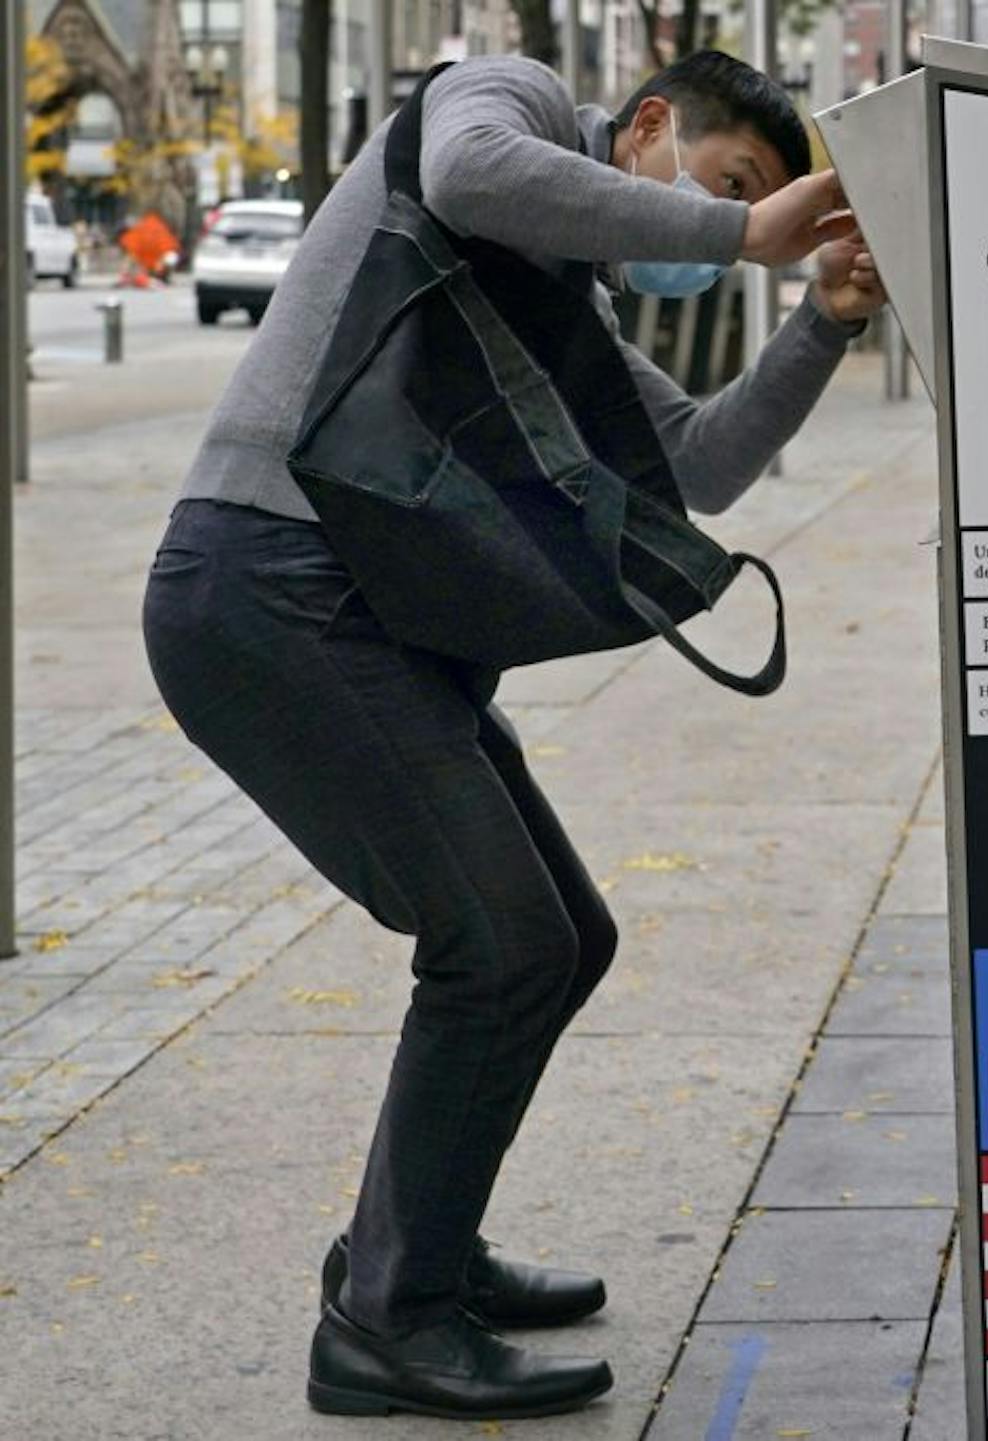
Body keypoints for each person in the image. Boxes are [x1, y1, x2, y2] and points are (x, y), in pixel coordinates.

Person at [139, 52, 885, 1421]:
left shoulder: (565, 307)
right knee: (502, 942)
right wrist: (745, 229)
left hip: (356, 621)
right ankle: (390, 1319)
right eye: (726, 182)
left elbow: (702, 465)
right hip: (265, 588)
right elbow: (469, 168)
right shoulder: (511, 99)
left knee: (564, 935)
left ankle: (410, 1248)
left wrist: (822, 319)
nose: (726, 236)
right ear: (648, 126)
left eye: (748, 213)